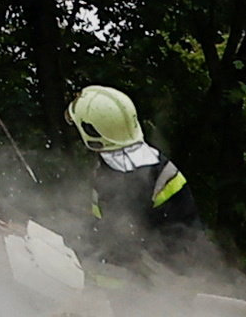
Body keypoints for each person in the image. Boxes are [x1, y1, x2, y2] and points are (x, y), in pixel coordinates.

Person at [66, 87, 198, 259]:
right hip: (147, 270)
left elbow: (127, 243)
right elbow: (101, 227)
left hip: (156, 276)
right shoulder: (114, 166)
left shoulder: (135, 178)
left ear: (93, 133)